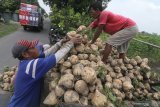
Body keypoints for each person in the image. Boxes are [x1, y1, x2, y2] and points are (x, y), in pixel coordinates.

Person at [8, 37, 82, 107]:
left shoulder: (27, 61)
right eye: (33, 48)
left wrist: (60, 42)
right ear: (25, 54)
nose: (37, 48)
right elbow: (55, 57)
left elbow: (46, 54)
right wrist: (70, 43)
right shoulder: (30, 66)